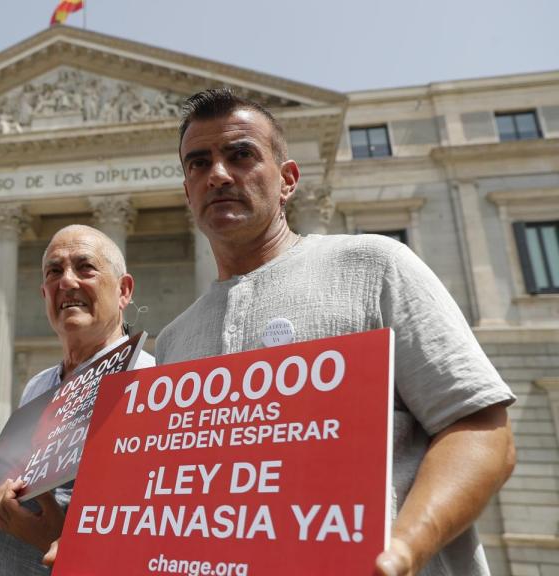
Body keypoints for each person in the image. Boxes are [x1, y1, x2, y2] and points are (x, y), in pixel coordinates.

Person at [154, 88, 516, 576]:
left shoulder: (376, 266)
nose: (217, 174)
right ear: (187, 191)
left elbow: (482, 431)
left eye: (240, 155)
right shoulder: (174, 339)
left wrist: (403, 549)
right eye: (198, 163)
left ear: (288, 181)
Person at [0, 224, 155, 575]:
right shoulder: (39, 386)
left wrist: (58, 537)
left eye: (85, 267)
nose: (66, 282)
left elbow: (144, 529)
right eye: (54, 271)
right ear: (44, 293)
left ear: (124, 290)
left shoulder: (148, 387)